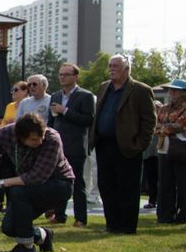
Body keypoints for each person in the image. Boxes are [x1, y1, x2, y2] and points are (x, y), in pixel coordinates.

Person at [0, 113, 74, 252]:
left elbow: (36, 177)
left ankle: (26, 246)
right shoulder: (4, 134)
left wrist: (0, 182)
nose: (40, 141)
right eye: (34, 139)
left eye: (41, 136)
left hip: (59, 184)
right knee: (9, 227)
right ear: (20, 137)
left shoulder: (52, 140)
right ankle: (43, 235)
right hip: (29, 187)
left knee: (18, 191)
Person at [89, 55, 156, 234]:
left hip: (127, 146)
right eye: (110, 65)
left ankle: (126, 227)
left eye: (116, 66)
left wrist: (140, 144)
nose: (111, 69)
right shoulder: (105, 87)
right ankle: (112, 224)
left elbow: (149, 120)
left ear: (127, 68)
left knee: (127, 187)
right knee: (106, 185)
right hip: (104, 144)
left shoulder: (141, 90)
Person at [47, 64, 95, 227]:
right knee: (59, 181)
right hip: (58, 146)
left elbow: (88, 120)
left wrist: (65, 110)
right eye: (60, 75)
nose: (62, 77)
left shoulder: (85, 96)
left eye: (66, 75)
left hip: (75, 145)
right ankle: (60, 215)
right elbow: (51, 121)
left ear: (75, 77)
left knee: (77, 182)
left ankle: (80, 218)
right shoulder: (55, 95)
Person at [0, 80, 29, 212]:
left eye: (16, 90)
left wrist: (13, 122)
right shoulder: (10, 106)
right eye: (12, 90)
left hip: (20, 145)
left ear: (26, 91)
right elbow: (3, 123)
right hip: (6, 143)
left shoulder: (28, 105)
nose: (13, 92)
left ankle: (11, 204)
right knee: (0, 171)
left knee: (14, 173)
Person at [154, 79, 186, 224]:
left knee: (182, 183)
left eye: (175, 90)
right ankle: (165, 214)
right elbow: (155, 125)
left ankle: (182, 215)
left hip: (181, 150)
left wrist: (165, 127)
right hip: (163, 148)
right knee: (165, 183)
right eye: (170, 90)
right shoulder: (164, 108)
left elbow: (180, 125)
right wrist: (167, 127)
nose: (171, 93)